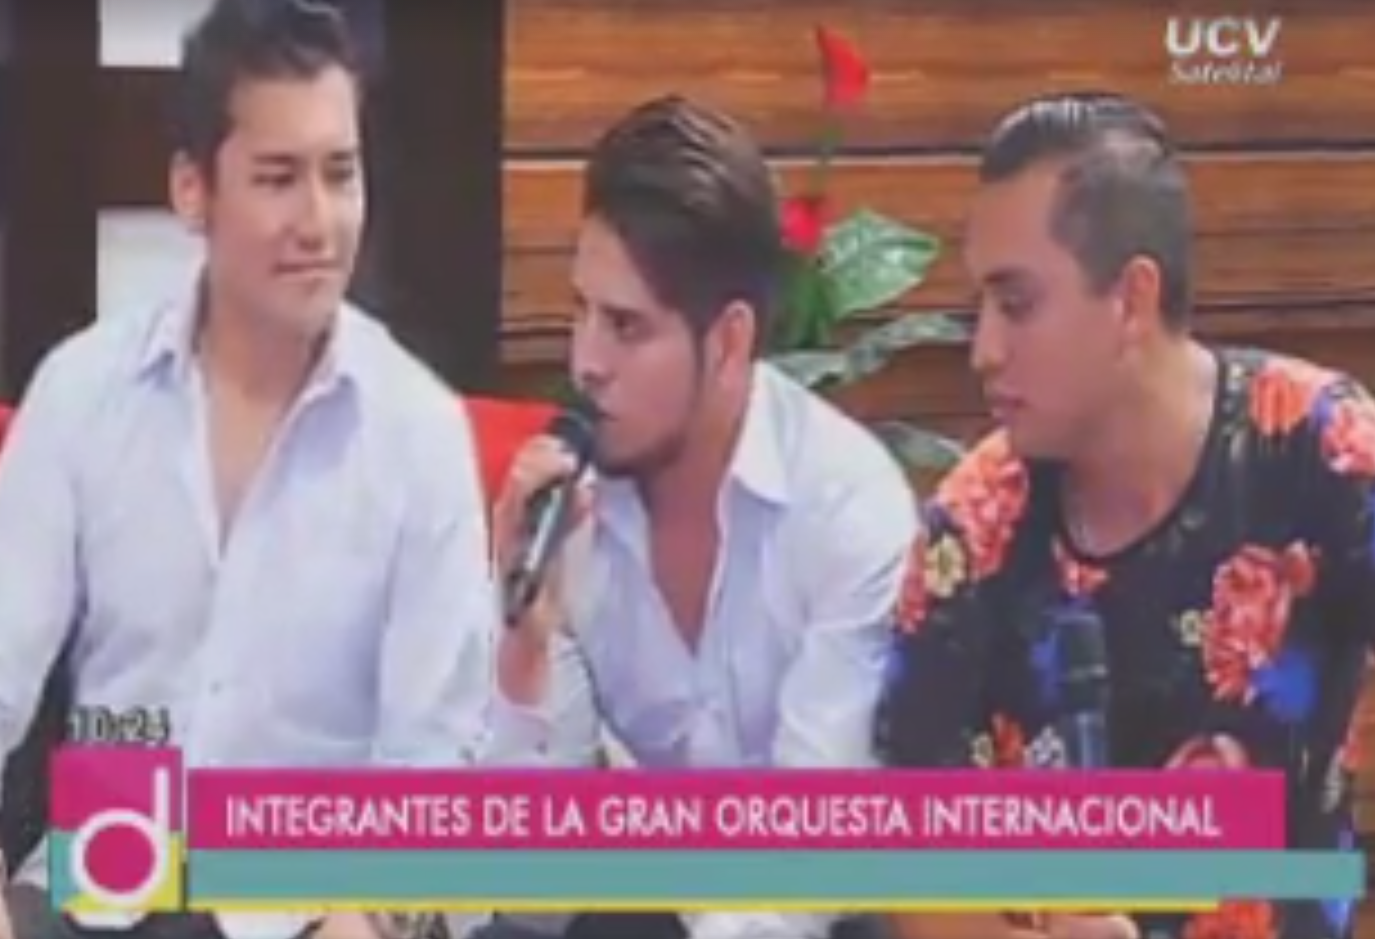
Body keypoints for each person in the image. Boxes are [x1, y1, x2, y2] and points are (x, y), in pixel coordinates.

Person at [0, 1, 495, 937]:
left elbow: (435, 755)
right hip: (102, 874)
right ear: (193, 190)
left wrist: (374, 912)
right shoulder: (82, 391)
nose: (319, 221)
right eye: (277, 178)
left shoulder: (419, 432)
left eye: (340, 174)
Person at [874, 91, 1373, 939]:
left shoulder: (1319, 449)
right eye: (978, 309)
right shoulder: (971, 527)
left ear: (1131, 300)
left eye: (1016, 304)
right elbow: (917, 883)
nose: (982, 350)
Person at [471, 95, 921, 939]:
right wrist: (522, 648)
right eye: (580, 311)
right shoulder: (570, 513)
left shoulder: (846, 511)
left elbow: (807, 872)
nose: (585, 362)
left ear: (728, 343)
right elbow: (531, 897)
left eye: (626, 327)